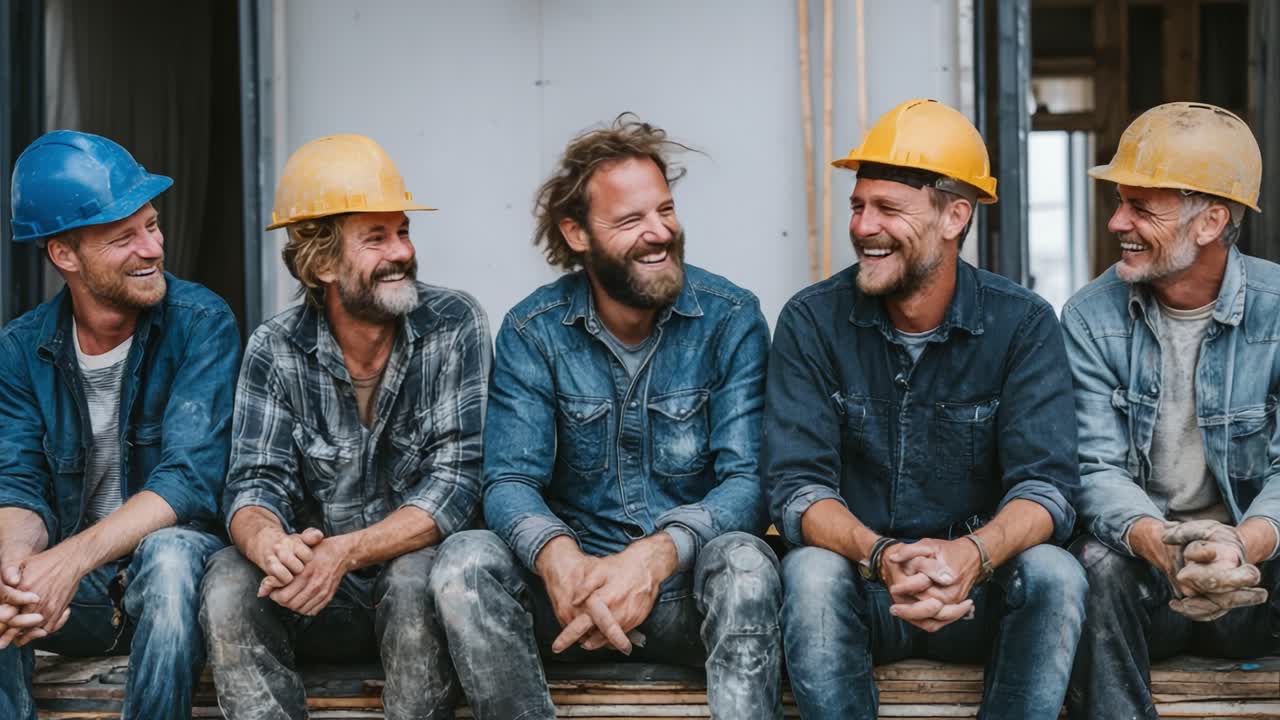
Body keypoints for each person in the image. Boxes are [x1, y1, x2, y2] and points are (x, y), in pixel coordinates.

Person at [430, 115, 782, 720]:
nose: (659, 233)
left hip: (681, 590)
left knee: (748, 564)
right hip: (568, 598)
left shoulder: (731, 318)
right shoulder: (532, 331)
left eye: (665, 211)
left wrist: (655, 557)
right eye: (630, 220)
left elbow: (748, 482)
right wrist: (561, 561)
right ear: (577, 233)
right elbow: (509, 481)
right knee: (463, 561)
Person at [768, 98, 1086, 720]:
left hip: (982, 594)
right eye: (858, 206)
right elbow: (796, 489)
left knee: (1056, 574)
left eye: (888, 208)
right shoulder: (811, 321)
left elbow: (1047, 488)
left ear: (954, 217)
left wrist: (972, 557)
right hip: (861, 589)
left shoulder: (1021, 324)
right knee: (808, 573)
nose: (862, 226)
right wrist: (882, 556)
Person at [199, 134, 490, 720]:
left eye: (403, 231)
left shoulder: (454, 323)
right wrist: (270, 544)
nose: (401, 252)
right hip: (313, 593)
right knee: (231, 578)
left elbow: (458, 484)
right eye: (376, 238)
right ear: (322, 262)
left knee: (413, 581)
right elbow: (254, 481)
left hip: (408, 580)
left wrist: (345, 552)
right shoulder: (275, 348)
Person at [0, 130, 240, 720]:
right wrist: (16, 574)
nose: (153, 247)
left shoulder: (202, 323)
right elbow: (18, 483)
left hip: (177, 590)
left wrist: (68, 561)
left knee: (169, 555)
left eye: (152, 225)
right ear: (64, 255)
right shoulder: (20, 348)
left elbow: (189, 481)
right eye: (123, 237)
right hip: (75, 599)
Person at [1063, 102, 1279, 720]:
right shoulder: (1089, 317)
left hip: (1256, 577)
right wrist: (1166, 547)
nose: (1116, 221)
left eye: (1141, 207)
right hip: (1149, 575)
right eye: (1120, 201)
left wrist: (1241, 545)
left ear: (1210, 221)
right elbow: (1094, 468)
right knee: (1091, 564)